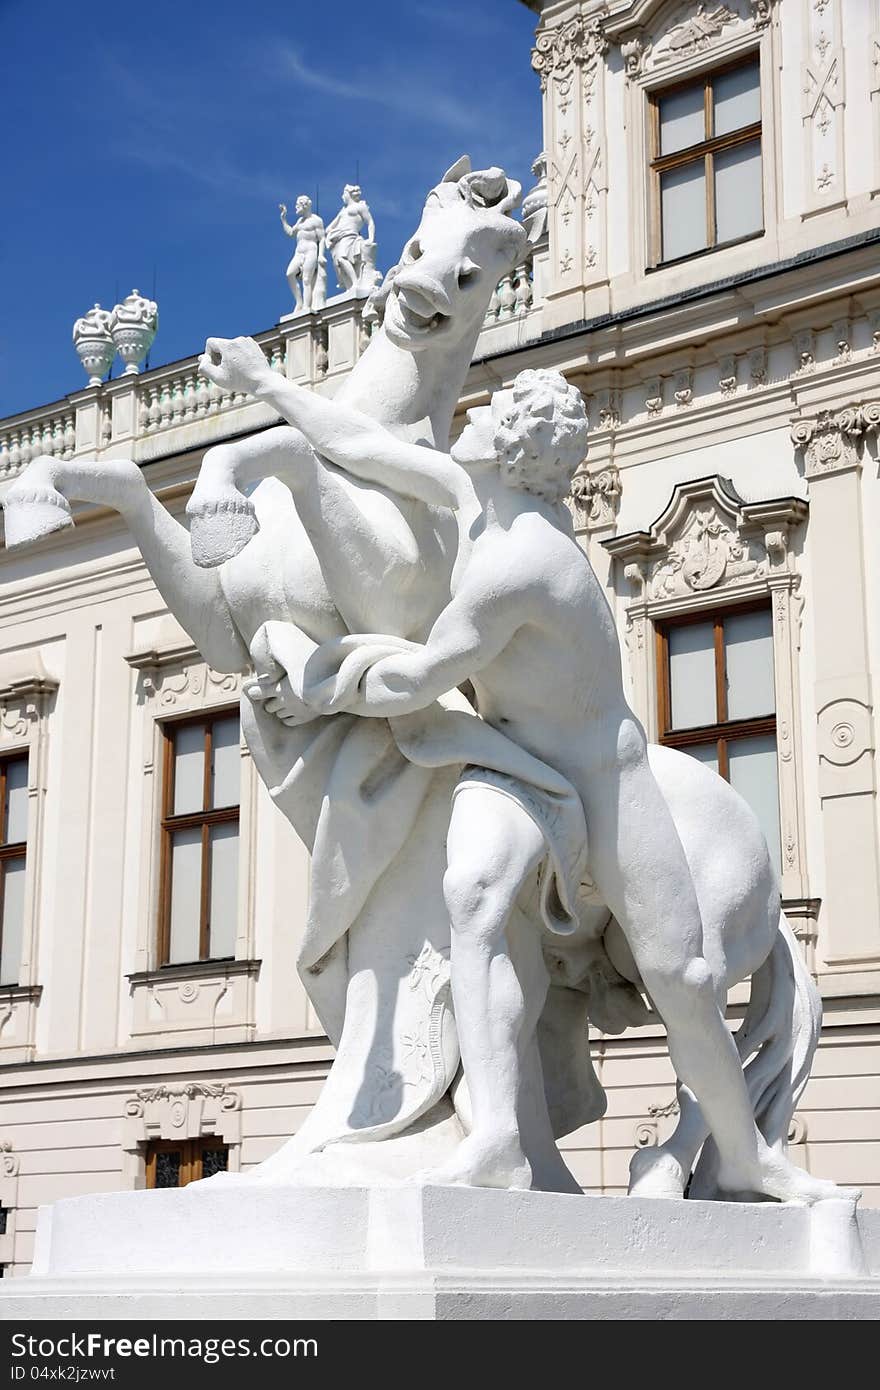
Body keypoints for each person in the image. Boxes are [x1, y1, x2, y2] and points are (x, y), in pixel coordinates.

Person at [197, 336, 839, 1202]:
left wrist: (317, 680)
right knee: (474, 892)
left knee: (684, 981)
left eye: (494, 414)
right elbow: (361, 446)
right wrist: (267, 382)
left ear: (513, 449)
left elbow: (418, 678)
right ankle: (498, 1133)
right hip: (512, 766)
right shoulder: (474, 502)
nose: (476, 416)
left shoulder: (521, 563)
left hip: (604, 779)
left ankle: (743, 1153)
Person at [324, 184, 376, 295]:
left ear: (348, 194)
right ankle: (349, 288)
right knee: (338, 263)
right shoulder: (343, 211)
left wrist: (371, 238)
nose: (342, 196)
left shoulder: (359, 207)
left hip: (350, 236)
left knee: (342, 258)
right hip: (339, 238)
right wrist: (331, 233)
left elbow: (370, 222)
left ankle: (355, 283)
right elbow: (329, 227)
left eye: (344, 194)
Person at [279, 196, 327, 313]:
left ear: (304, 205)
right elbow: (291, 232)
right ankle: (299, 302)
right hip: (299, 253)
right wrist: (283, 219)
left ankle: (306, 307)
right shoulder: (299, 221)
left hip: (311, 251)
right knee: (289, 273)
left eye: (298, 205)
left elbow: (322, 239)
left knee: (306, 280)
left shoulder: (316, 220)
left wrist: (321, 255)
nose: (295, 207)